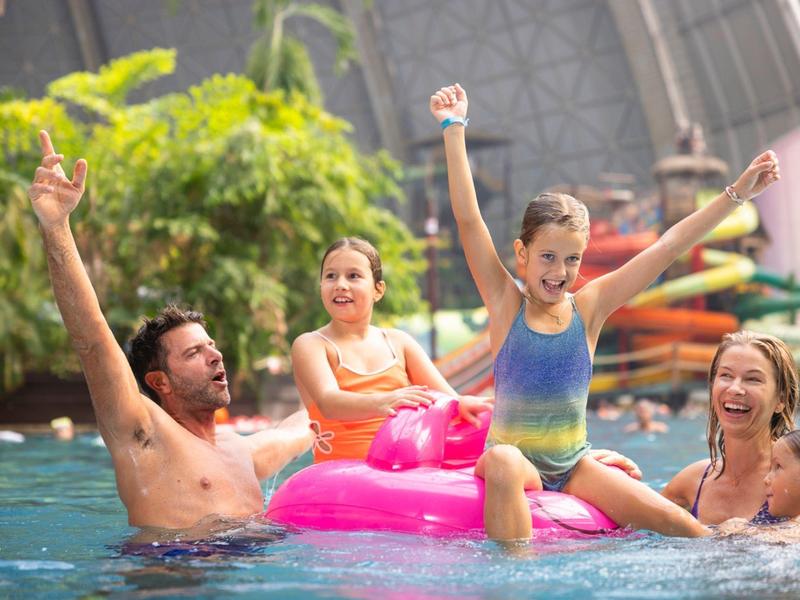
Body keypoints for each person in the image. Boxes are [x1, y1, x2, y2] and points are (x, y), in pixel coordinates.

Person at [430, 83, 781, 541]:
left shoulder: (590, 308)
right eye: (548, 257)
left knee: (683, 527)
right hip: (515, 462)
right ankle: (515, 577)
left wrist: (735, 194)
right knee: (501, 462)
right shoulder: (504, 301)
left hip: (573, 466)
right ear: (522, 254)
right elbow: (469, 220)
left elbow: (668, 246)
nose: (560, 272)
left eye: (572, 259)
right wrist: (453, 128)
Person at [27, 131, 314, 531]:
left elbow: (305, 425)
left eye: (211, 346)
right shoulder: (143, 434)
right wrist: (56, 227)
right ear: (159, 381)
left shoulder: (241, 450)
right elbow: (91, 340)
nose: (215, 356)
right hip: (168, 574)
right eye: (194, 353)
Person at [291, 237, 493, 462]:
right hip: (341, 478)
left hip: (401, 468)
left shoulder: (399, 343)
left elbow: (448, 399)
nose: (340, 284)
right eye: (330, 276)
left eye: (353, 276)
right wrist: (385, 401)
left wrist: (466, 405)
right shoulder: (311, 345)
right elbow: (329, 403)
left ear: (378, 290)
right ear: (321, 288)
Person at [662, 330, 797, 525]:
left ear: (781, 399)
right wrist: (620, 469)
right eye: (726, 375)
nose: (734, 389)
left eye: (753, 379)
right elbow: (631, 529)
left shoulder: (792, 478)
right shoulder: (691, 483)